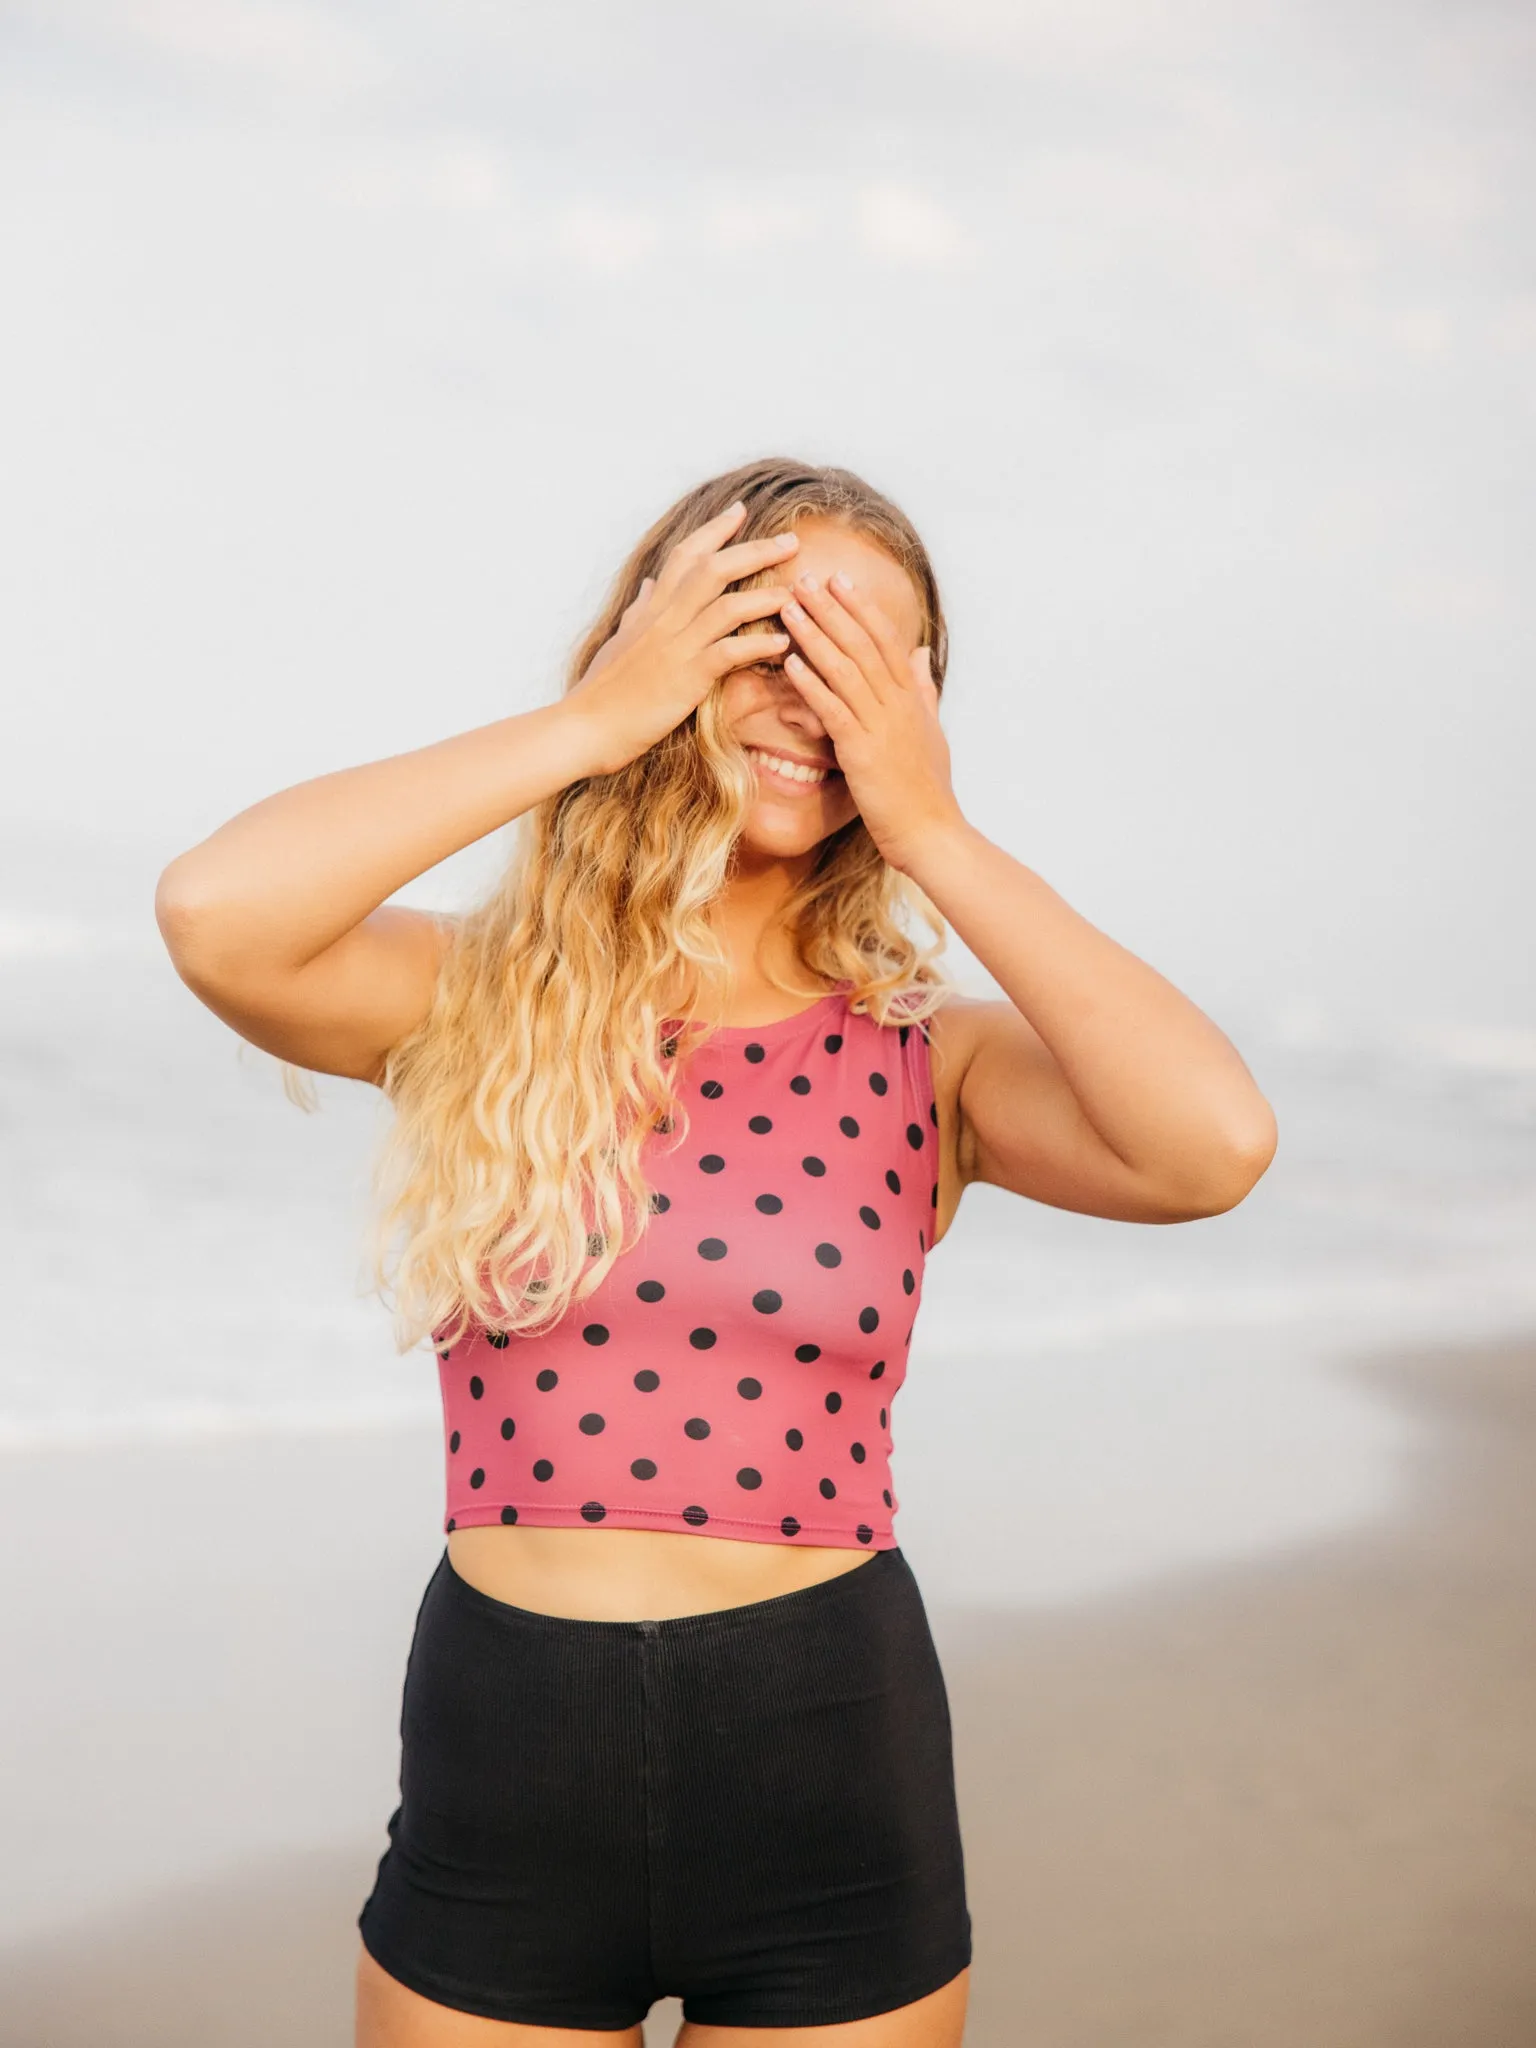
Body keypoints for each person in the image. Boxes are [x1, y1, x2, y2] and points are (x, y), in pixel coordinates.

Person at [155, 456, 1277, 2046]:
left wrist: (937, 826)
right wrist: (594, 722)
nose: (809, 693)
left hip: (828, 1754)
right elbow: (215, 909)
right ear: (658, 641)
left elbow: (1212, 1145)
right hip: (505, 1763)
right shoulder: (474, 1001)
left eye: (863, 658)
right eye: (764, 632)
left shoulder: (926, 1059)